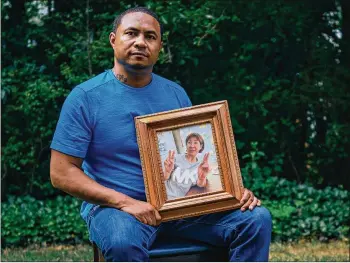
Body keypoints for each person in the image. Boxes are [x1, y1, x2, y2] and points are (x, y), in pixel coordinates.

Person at [50, 6, 272, 262]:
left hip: (181, 207)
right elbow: (61, 173)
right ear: (113, 40)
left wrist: (230, 191)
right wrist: (124, 202)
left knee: (255, 219)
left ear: (159, 46)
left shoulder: (175, 94)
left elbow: (196, 158)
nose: (140, 42)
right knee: (123, 242)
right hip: (116, 209)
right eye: (131, 33)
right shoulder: (85, 98)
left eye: (150, 36)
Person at [163, 133, 211, 200]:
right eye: (189, 142)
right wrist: (167, 171)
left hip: (177, 201)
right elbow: (163, 178)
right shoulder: (175, 158)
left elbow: (200, 184)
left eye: (195, 142)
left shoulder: (200, 166)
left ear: (201, 146)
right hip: (163, 194)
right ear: (186, 145)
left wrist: (202, 177)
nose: (192, 145)